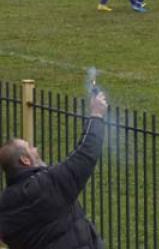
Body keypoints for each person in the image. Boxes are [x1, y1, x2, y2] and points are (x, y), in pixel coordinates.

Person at [0, 89, 109, 249]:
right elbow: (85, 154)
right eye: (30, 148)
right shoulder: (46, 186)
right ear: (25, 160)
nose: (36, 149)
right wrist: (97, 115)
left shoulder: (5, 206)